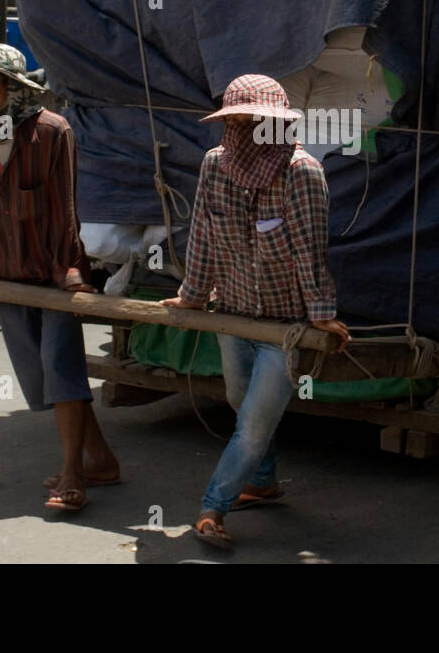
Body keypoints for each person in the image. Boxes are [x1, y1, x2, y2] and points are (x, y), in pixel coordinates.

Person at [161, 74, 348, 549]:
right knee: (239, 401)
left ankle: (211, 509)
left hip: (285, 329)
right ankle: (262, 481)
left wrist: (321, 314)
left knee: (253, 425)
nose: (245, 131)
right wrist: (192, 296)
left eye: (256, 122)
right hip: (234, 313)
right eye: (237, 122)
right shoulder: (215, 166)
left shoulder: (302, 172)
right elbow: (202, 234)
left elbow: (311, 251)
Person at [0, 43, 119, 512]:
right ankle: (100, 458)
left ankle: (74, 475)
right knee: (41, 374)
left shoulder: (51, 132)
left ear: (13, 89)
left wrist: (70, 269)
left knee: (60, 365)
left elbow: (65, 209)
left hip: (50, 273)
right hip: (5, 273)